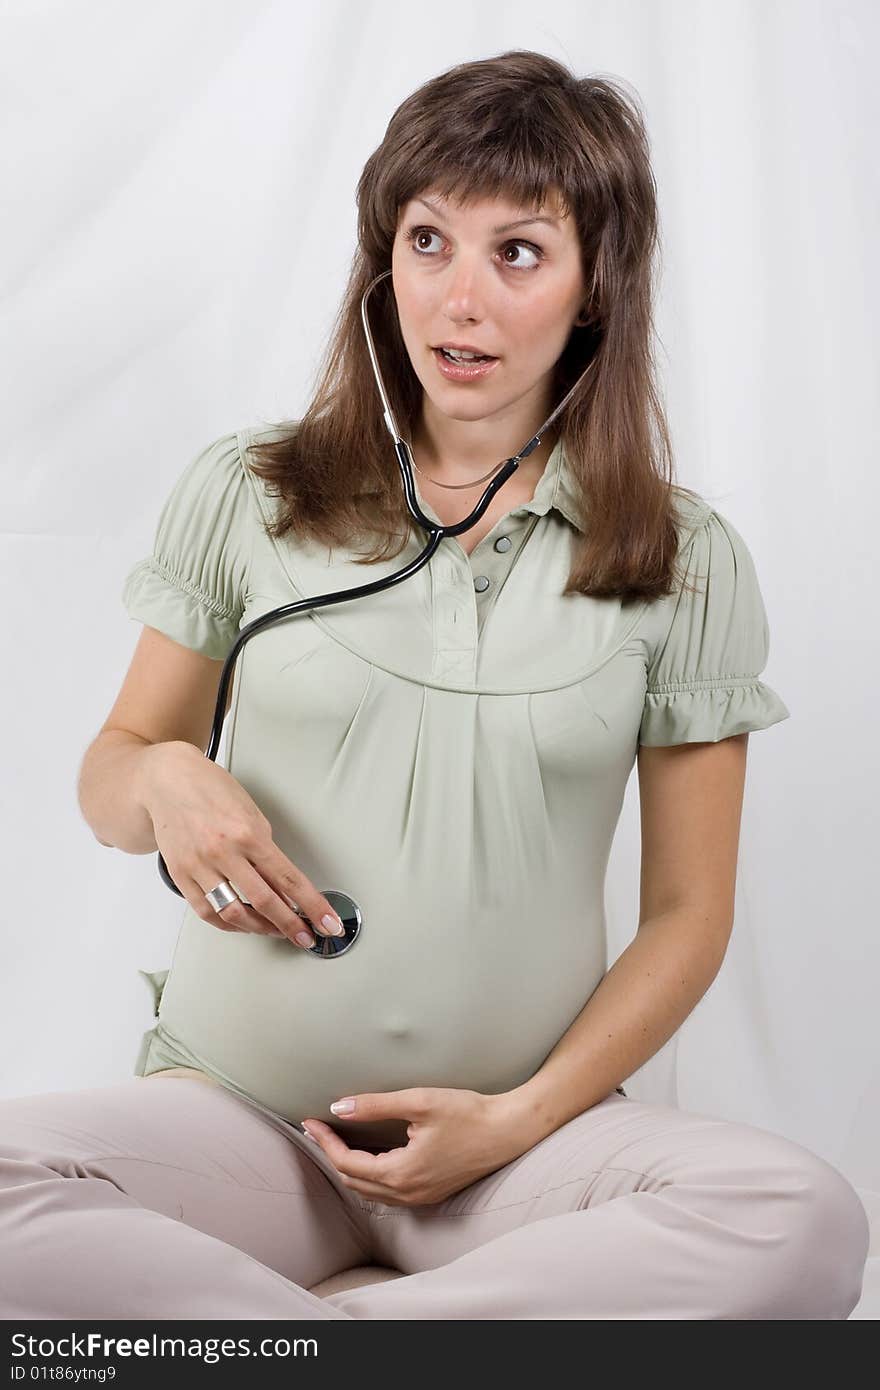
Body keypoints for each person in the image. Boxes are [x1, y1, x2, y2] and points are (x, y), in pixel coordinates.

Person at [1, 50, 868, 1321]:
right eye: (426, 240)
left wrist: (512, 1118)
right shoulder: (249, 492)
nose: (459, 299)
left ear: (592, 290)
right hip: (244, 1124)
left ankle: (291, 1339)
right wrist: (164, 776)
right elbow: (114, 768)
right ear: (381, 259)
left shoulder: (681, 562)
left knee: (805, 1223)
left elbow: (688, 914)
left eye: (517, 251)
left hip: (515, 1151)